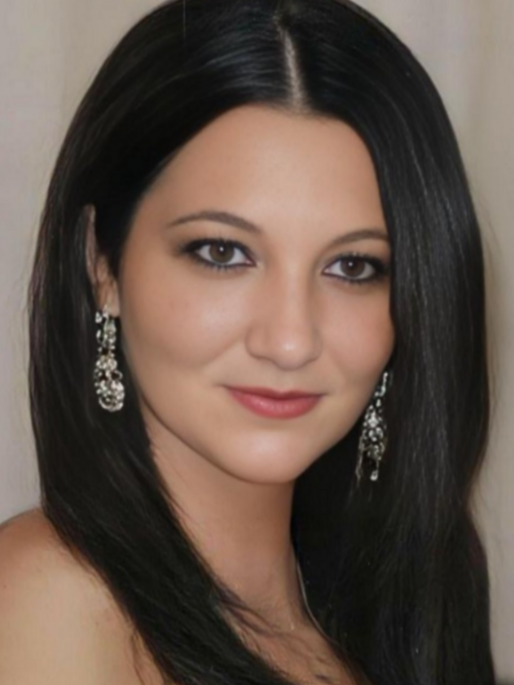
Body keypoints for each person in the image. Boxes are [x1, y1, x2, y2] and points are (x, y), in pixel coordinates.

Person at [0, 0, 496, 683]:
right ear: (101, 265)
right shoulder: (48, 599)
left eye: (353, 267)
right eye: (222, 252)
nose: (289, 341)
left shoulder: (412, 609)